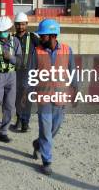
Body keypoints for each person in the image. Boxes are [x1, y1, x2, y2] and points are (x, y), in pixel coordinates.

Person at [29, 19, 78, 176]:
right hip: (43, 96)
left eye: (42, 35)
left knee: (54, 128)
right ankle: (47, 161)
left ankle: (38, 144)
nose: (40, 38)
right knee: (45, 129)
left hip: (60, 96)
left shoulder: (67, 50)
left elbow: (72, 71)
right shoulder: (36, 51)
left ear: (51, 36)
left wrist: (75, 89)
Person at [10, 12, 39, 132]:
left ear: (27, 24)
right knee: (16, 98)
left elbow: (44, 48)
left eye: (23, 24)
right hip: (15, 73)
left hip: (29, 73)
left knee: (27, 98)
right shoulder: (11, 38)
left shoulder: (33, 38)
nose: (20, 27)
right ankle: (18, 119)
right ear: (15, 25)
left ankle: (25, 123)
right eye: (18, 25)